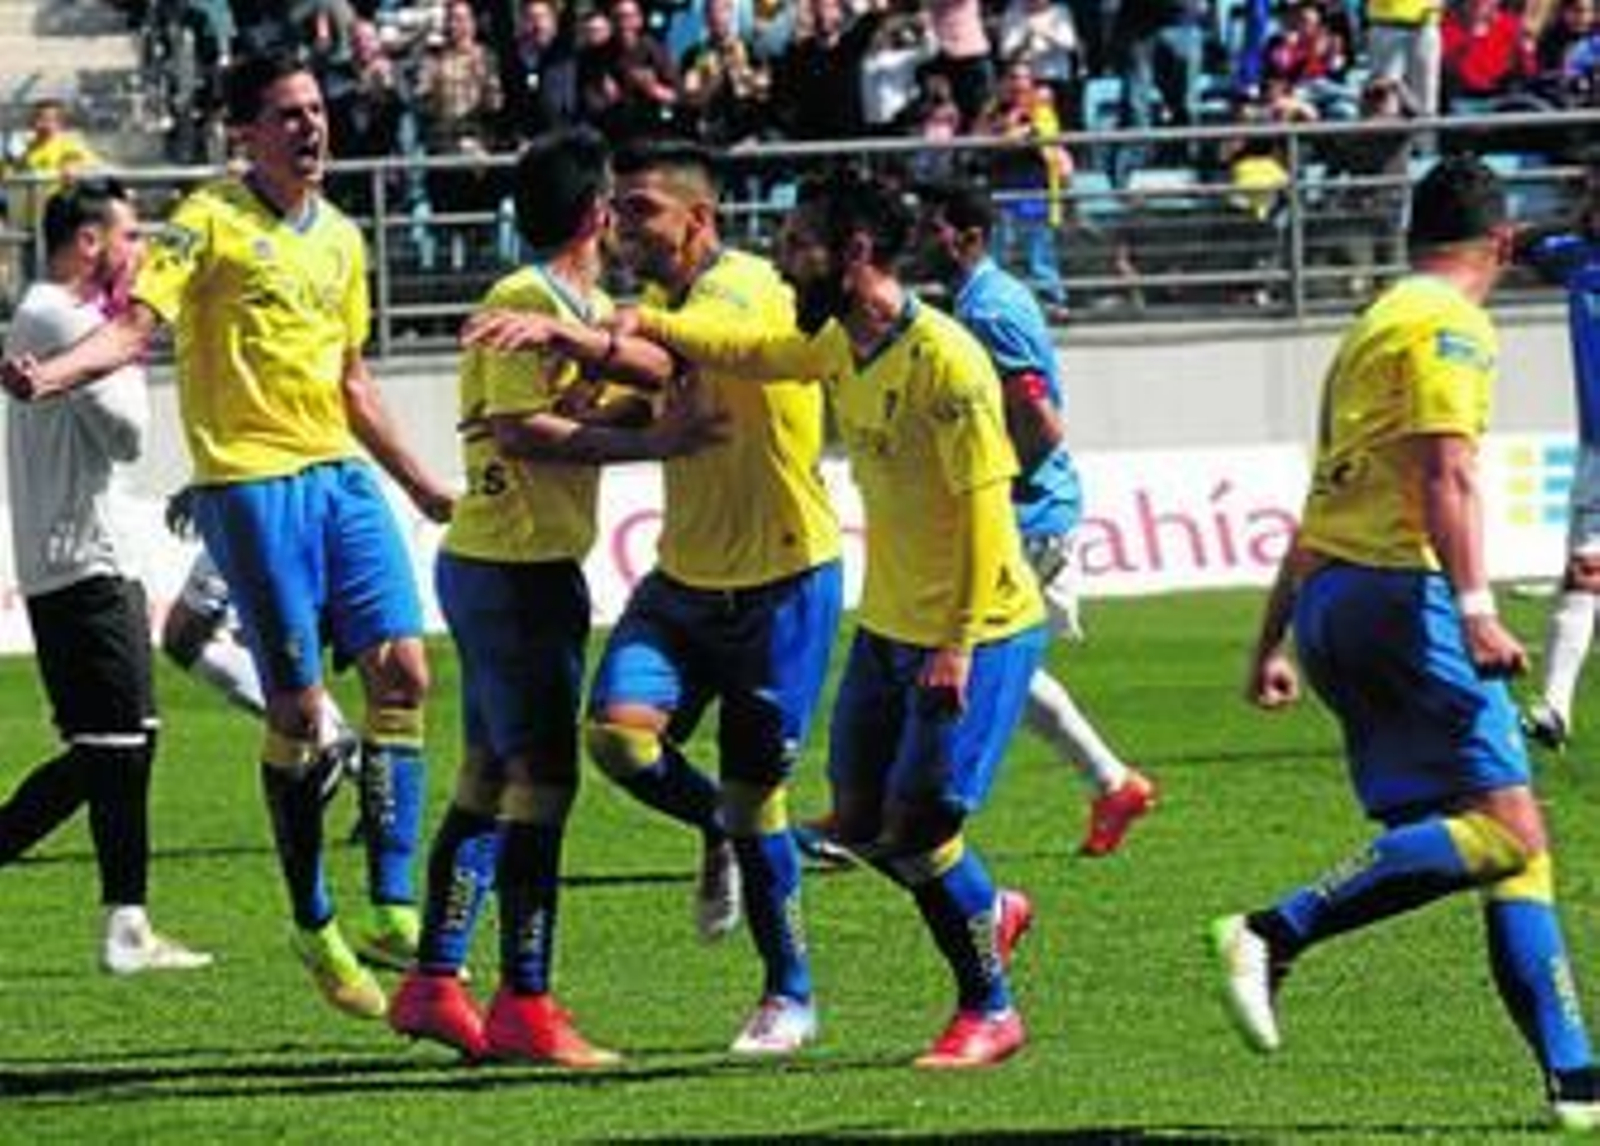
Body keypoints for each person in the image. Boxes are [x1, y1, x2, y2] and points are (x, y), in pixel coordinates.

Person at [2, 51, 455, 1022]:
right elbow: (133, 330)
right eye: (287, 115)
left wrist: (420, 483)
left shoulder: (339, 237)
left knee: (406, 672)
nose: (311, 128)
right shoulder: (204, 222)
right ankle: (314, 918)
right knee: (296, 713)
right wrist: (51, 375)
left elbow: (354, 378)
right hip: (250, 484)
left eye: (317, 111)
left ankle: (394, 901)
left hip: (339, 474)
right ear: (243, 133)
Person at [1213, 155, 1600, 1132]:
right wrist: (1473, 604)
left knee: (1506, 836)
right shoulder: (1447, 325)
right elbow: (1447, 474)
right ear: (1502, 245)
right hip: (1401, 596)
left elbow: (1318, 501)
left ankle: (1576, 1082)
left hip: (1332, 599)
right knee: (1507, 830)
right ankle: (1272, 930)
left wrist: (1271, 640)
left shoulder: (1367, 329)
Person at [628, 166, 1047, 1068]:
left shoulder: (947, 359)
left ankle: (991, 1009)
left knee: (924, 831)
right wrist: (648, 323)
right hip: (891, 624)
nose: (784, 263)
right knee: (859, 824)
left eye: (799, 245)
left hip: (978, 628)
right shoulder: (836, 343)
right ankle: (991, 910)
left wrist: (956, 642)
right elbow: (756, 354)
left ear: (854, 254)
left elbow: (988, 509)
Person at [468, 140, 844, 1057]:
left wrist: (583, 338)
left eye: (641, 210)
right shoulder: (660, 310)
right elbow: (651, 397)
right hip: (684, 578)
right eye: (618, 208)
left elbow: (711, 349)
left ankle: (789, 995)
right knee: (619, 738)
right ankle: (714, 828)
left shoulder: (748, 287)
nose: (621, 225)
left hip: (782, 580)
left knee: (764, 801)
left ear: (698, 219)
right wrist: (570, 415)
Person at [387, 128, 723, 1066]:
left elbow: (645, 369)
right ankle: (526, 1003)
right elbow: (520, 428)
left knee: (491, 778)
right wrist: (651, 445)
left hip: (523, 567)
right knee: (544, 785)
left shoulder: (580, 304)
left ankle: (433, 982)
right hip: (511, 572)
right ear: (595, 213)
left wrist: (620, 389)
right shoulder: (520, 298)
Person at [1, 178, 212, 975]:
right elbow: (127, 433)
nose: (138, 253)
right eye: (128, 237)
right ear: (89, 241)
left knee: (125, 744)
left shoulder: (68, 318)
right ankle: (127, 928)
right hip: (73, 558)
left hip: (99, 554)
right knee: (113, 747)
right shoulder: (56, 313)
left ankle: (126, 921)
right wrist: (121, 334)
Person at [912, 181, 1156, 857]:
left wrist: (989, 490)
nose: (916, 238)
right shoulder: (983, 301)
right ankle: (1113, 784)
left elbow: (1042, 424)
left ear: (967, 235)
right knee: (999, 663)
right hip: (1031, 509)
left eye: (928, 226)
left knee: (956, 652)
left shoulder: (988, 311)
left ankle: (911, 816)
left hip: (1025, 513)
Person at [1517, 159, 1600, 751]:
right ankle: (1554, 707)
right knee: (1584, 571)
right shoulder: (1575, 255)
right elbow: (1513, 242)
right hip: (1598, 450)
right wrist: (1571, 216)